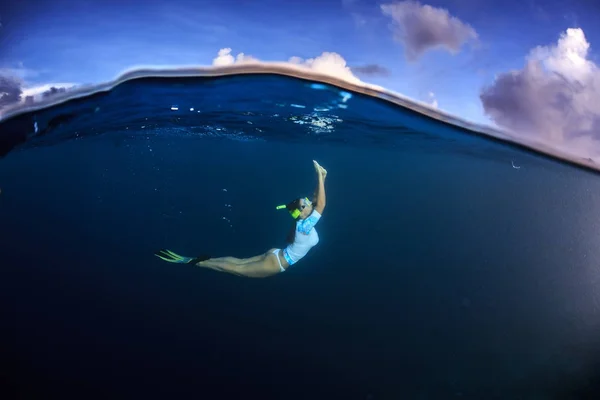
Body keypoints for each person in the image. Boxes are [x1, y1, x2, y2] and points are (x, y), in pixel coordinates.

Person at [154, 160, 327, 278]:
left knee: (239, 263)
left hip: (276, 254)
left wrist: (322, 178)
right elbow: (320, 204)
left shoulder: (301, 221)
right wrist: (319, 175)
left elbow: (315, 199)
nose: (308, 202)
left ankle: (204, 260)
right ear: (303, 212)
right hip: (277, 263)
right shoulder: (305, 226)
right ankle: (196, 262)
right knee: (236, 269)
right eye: (305, 203)